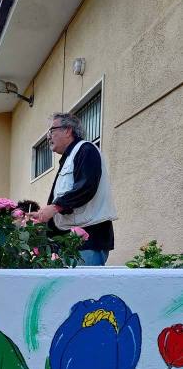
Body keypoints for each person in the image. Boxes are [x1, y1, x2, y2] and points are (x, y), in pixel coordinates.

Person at [32, 113, 117, 265]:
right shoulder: (70, 157)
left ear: (68, 130)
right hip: (72, 242)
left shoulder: (86, 150)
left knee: (85, 289)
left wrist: (55, 207)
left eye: (51, 131)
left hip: (88, 241)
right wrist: (43, 215)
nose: (48, 137)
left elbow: (86, 186)